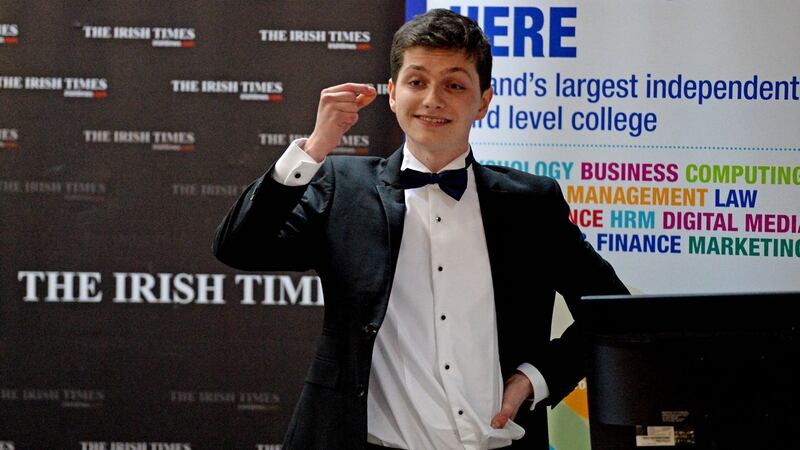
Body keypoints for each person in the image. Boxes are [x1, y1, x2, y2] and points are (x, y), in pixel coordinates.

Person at [213, 8, 628, 450]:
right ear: (393, 94)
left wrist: (533, 379)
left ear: (483, 101)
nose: (432, 99)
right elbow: (240, 247)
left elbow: (613, 314)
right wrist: (312, 150)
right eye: (416, 82)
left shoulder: (529, 204)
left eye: (454, 84)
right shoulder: (342, 188)